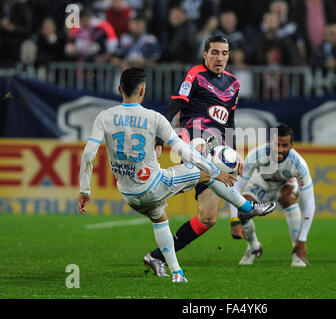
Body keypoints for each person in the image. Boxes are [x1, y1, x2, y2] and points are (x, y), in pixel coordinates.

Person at [78, 68, 276, 282]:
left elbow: (89, 153)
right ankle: (246, 208)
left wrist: (84, 190)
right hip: (155, 186)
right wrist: (215, 172)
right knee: (201, 171)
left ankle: (176, 272)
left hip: (128, 193)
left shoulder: (104, 117)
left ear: (119, 89)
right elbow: (184, 150)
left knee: (160, 219)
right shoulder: (154, 118)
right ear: (143, 90)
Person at [147, 35, 274, 275]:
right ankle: (247, 207)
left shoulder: (234, 84)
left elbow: (230, 122)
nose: (219, 58)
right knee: (214, 171)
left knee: (207, 218)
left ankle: (155, 256)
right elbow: (174, 107)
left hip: (218, 145)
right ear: (205, 54)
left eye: (224, 53)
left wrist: (234, 154)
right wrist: (159, 139)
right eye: (214, 52)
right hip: (193, 138)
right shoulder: (195, 74)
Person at [229, 124, 316, 267]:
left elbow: (309, 203)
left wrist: (302, 240)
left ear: (292, 145)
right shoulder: (256, 154)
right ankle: (253, 246)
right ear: (270, 143)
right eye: (277, 145)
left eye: (285, 145)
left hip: (285, 185)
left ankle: (297, 251)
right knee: (243, 209)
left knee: (288, 198)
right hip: (260, 183)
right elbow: (235, 187)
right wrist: (234, 220)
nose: (280, 150)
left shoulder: (299, 164)